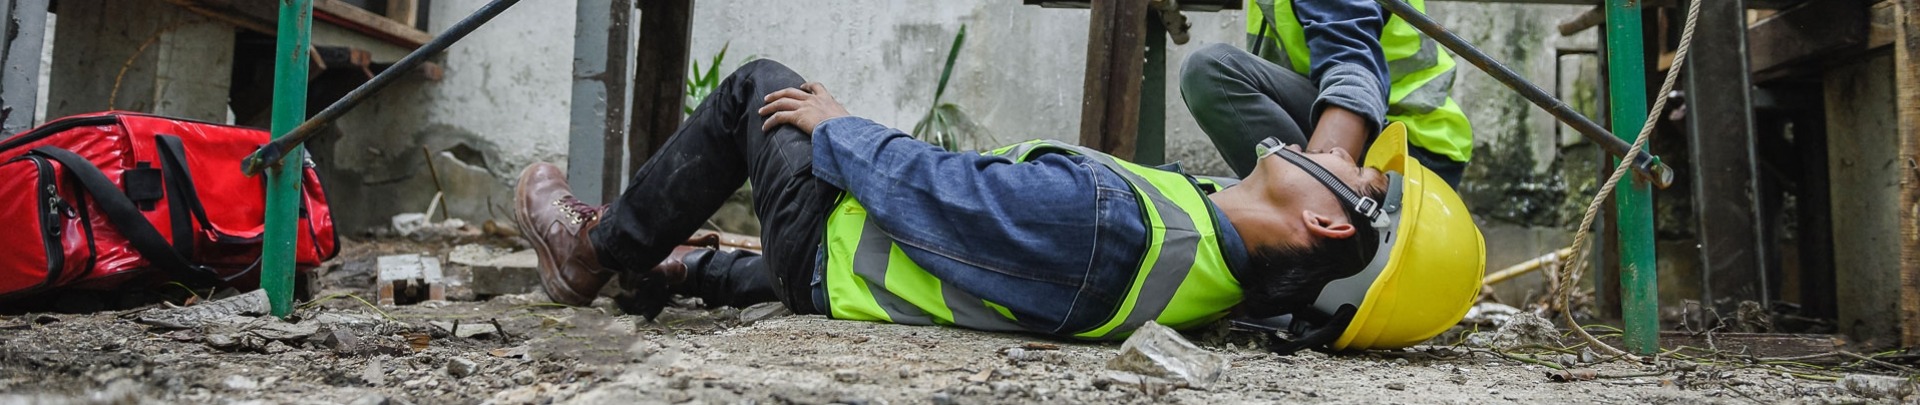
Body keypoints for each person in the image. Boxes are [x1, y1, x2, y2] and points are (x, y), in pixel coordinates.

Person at [515, 59, 1483, 351]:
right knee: (785, 235)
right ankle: (683, 268)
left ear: (1326, 224)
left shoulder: (1122, 229)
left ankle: (598, 250)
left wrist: (839, 128)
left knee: (757, 94)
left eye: (1362, 179)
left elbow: (945, 200)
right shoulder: (1213, 273)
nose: (1337, 152)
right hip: (888, 277)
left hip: (833, 257)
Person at [1181, 0, 1473, 187]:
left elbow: (1354, 75)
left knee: (1212, 70)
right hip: (1400, 142)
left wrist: (1313, 194)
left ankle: (1300, 216)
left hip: (1406, 153)